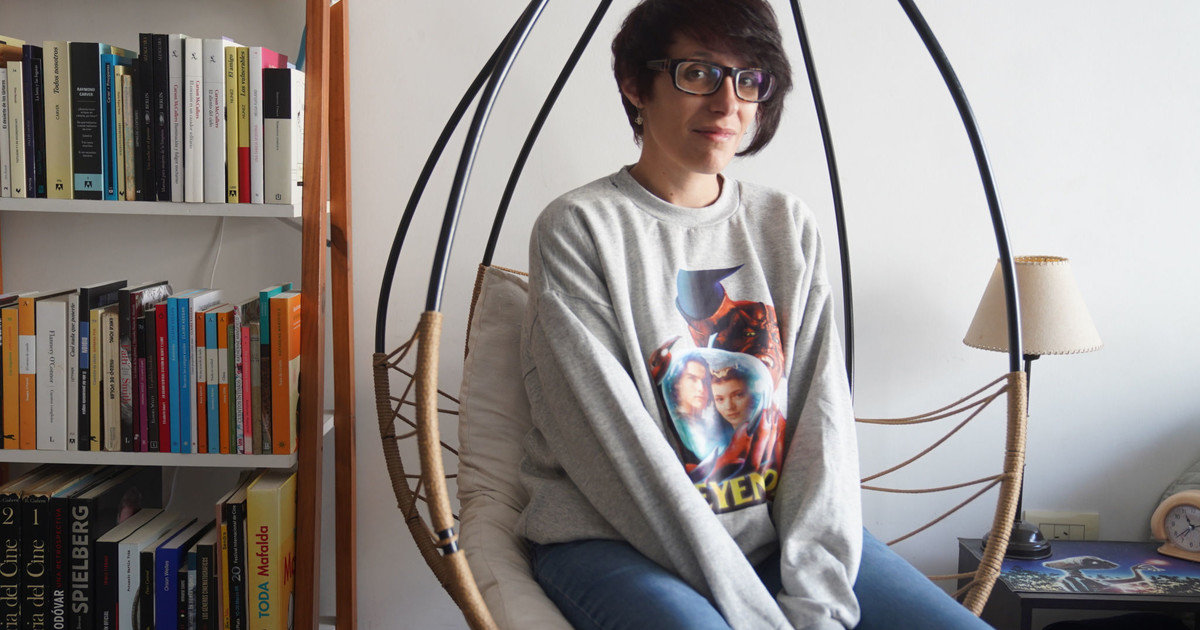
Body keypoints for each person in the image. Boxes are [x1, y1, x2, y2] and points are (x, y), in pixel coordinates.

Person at [517, 0, 993, 628]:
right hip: (614, 540)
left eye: (748, 80)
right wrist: (758, 615)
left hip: (770, 540)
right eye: (698, 73)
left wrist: (817, 600)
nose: (727, 104)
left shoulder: (785, 224)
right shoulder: (580, 227)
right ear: (635, 82)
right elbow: (613, 448)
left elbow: (823, 422)